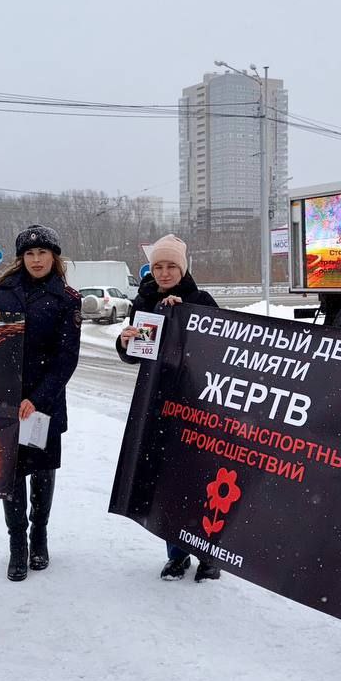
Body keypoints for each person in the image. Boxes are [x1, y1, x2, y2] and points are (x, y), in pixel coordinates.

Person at [0, 225, 81, 582]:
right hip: (5, 402)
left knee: (42, 470)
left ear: (54, 257)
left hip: (42, 404)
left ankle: (40, 536)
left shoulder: (66, 299)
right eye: (30, 254)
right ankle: (17, 543)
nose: (37, 260)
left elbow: (67, 358)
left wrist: (38, 399)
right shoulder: (3, 292)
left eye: (43, 253)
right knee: (12, 474)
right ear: (22, 258)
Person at [116, 233, 220, 583]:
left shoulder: (201, 299)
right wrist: (124, 341)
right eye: (158, 266)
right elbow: (136, 356)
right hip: (157, 404)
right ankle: (176, 555)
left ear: (183, 268)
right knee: (165, 483)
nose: (163, 272)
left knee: (200, 480)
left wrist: (183, 315)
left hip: (196, 403)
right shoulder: (143, 300)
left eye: (171, 266)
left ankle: (208, 556)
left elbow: (219, 350)